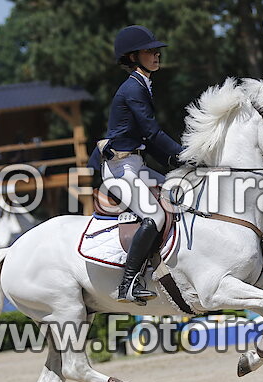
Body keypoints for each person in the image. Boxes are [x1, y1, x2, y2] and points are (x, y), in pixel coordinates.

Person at [88, 25, 184, 305]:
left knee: (181, 191)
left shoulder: (143, 84)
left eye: (157, 51)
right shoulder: (132, 88)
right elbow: (153, 133)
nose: (156, 56)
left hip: (136, 164)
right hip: (119, 169)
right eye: (149, 51)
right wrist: (184, 154)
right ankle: (127, 284)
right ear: (132, 56)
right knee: (154, 216)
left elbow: (148, 140)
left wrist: (177, 162)